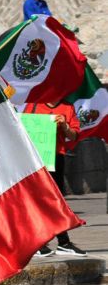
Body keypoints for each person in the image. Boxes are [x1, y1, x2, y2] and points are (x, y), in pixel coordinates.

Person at [24, 102, 87, 257]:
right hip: (36, 160)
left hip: (56, 157)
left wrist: (64, 126)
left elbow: (73, 136)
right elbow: (22, 127)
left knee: (56, 200)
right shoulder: (33, 105)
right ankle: (46, 242)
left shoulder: (67, 107)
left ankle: (61, 242)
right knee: (39, 200)